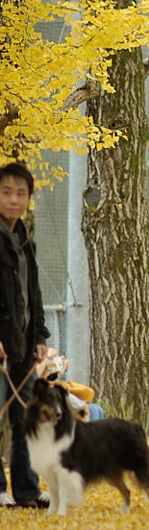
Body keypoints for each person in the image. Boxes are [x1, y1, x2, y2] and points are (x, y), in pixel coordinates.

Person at [0, 161, 48, 507]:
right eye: (5, 193)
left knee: (24, 421)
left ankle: (28, 491)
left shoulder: (25, 241)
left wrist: (41, 338)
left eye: (20, 193)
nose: (13, 200)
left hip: (25, 346)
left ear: (29, 198)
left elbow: (34, 294)